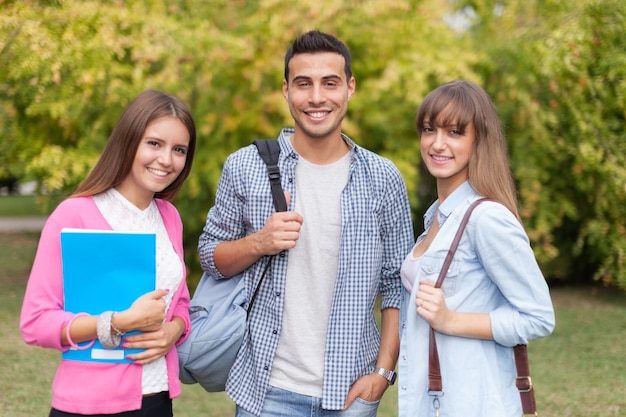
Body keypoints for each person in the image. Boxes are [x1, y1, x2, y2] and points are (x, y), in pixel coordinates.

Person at [198, 30, 414, 416]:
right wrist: (258, 242)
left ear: (350, 88)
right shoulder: (245, 166)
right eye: (303, 84)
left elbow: (396, 284)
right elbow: (210, 258)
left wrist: (383, 373)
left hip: (351, 394)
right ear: (286, 91)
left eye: (329, 83)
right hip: (265, 392)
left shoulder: (383, 178)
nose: (316, 97)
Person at [20, 89, 196, 417]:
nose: (166, 160)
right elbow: (35, 323)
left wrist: (173, 331)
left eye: (179, 150)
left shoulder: (169, 217)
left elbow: (180, 300)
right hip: (90, 405)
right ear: (129, 141)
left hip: (158, 400)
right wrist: (116, 322)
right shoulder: (74, 216)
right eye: (154, 143)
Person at [397, 80, 555, 417]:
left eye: (454, 132)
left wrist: (451, 320)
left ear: (478, 140)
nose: (437, 144)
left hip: (472, 402)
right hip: (430, 403)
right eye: (429, 130)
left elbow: (538, 317)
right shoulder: (434, 220)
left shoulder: (487, 218)